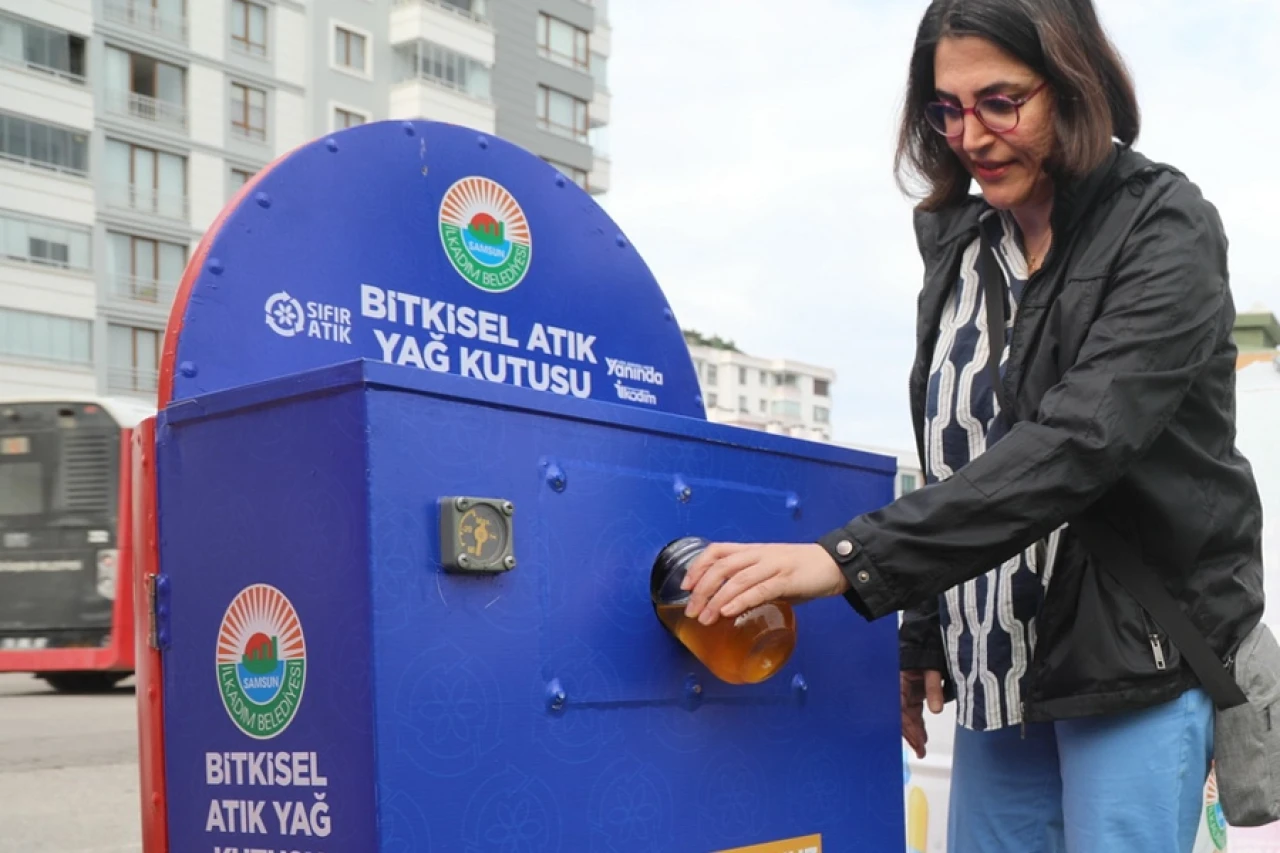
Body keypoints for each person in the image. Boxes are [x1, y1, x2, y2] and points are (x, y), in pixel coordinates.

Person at [679, 0, 1266, 851]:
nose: (971, 134)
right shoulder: (961, 246)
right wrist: (922, 626)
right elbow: (959, 448)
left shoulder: (1164, 225)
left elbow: (1078, 444)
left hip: (1129, 661)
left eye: (1000, 101)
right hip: (996, 674)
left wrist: (846, 559)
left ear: (1075, 84)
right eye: (945, 109)